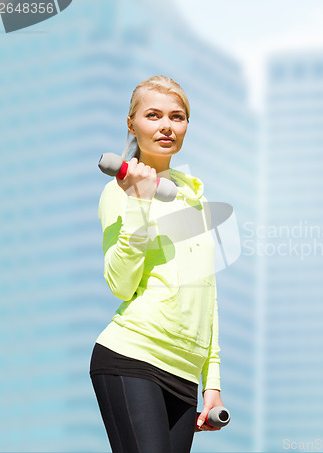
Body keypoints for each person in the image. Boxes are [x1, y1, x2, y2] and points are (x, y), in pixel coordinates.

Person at [89, 75, 224, 453]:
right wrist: (139, 200)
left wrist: (211, 382)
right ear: (131, 124)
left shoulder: (192, 196)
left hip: (184, 374)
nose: (167, 125)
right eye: (153, 115)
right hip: (134, 356)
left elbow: (205, 294)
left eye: (177, 117)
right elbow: (119, 283)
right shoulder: (118, 191)